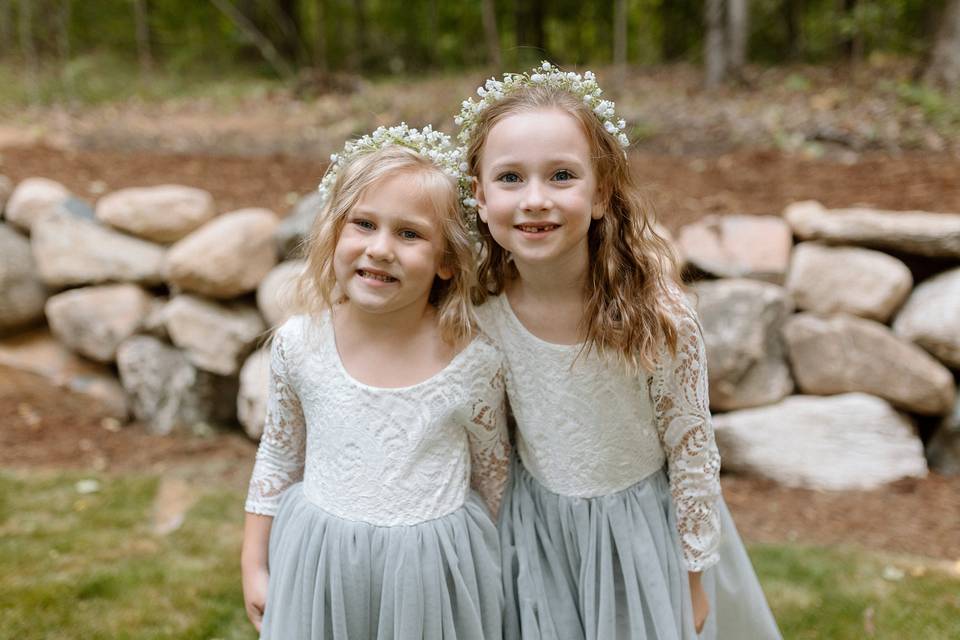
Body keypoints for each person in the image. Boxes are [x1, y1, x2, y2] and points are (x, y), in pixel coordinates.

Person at [457, 63, 781, 640]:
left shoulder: (657, 319)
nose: (535, 200)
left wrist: (692, 575)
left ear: (601, 192)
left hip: (642, 535)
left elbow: (691, 450)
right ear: (479, 197)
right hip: (538, 535)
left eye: (561, 175)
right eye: (510, 178)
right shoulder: (483, 315)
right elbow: (492, 449)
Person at [241, 124, 511, 640]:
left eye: (410, 234)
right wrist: (254, 561)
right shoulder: (300, 344)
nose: (381, 249)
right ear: (334, 233)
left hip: (429, 578)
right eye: (363, 224)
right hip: (320, 564)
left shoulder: (474, 362)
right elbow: (278, 455)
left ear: (447, 261)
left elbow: (493, 478)